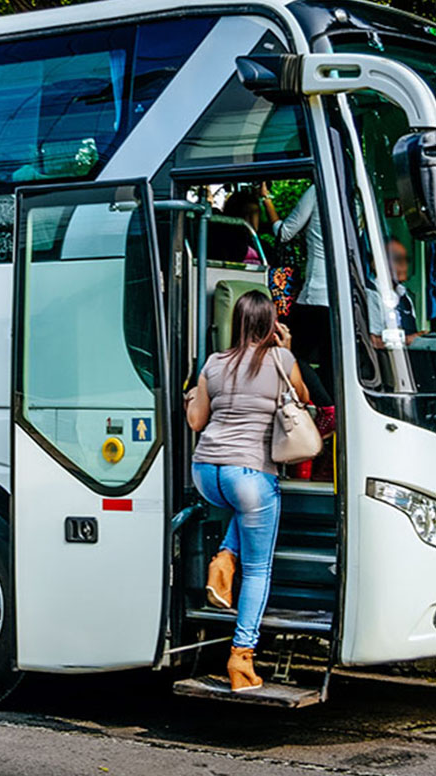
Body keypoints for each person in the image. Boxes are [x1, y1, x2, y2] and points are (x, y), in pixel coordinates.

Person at [185, 291, 309, 692]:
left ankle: (223, 558)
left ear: (237, 323)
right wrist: (286, 350)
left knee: (243, 509)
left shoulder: (214, 363)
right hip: (251, 475)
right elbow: (303, 401)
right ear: (272, 324)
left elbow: (196, 420)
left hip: (207, 473)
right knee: (258, 571)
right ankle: (241, 657)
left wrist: (192, 395)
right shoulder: (281, 360)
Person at [260, 182, 335, 438]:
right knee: (328, 362)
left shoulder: (318, 189)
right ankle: (331, 414)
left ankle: (327, 410)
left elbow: (284, 233)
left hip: (315, 292)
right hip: (340, 296)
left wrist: (267, 199)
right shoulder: (353, 191)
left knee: (292, 354)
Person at [367, 237, 424, 347]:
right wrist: (408, 340)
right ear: (376, 263)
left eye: (406, 260)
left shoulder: (405, 296)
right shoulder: (372, 294)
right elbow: (373, 342)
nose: (404, 265)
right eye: (397, 259)